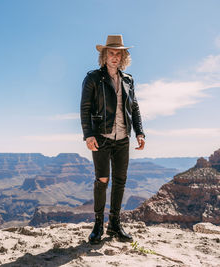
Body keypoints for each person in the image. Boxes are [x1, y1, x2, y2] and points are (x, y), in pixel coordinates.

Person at [80, 34, 145, 244]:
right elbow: (85, 108)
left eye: (118, 53)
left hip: (122, 138)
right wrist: (88, 134)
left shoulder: (128, 80)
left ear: (123, 56)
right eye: (111, 53)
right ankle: (98, 225)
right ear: (104, 55)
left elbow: (134, 107)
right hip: (101, 137)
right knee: (102, 180)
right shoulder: (93, 78)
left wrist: (140, 132)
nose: (114, 57)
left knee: (120, 181)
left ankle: (115, 225)